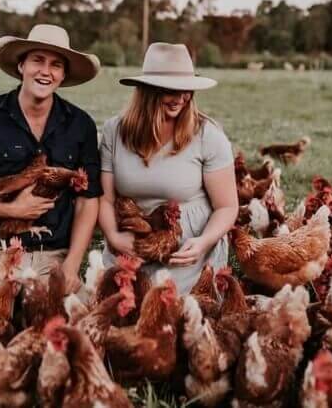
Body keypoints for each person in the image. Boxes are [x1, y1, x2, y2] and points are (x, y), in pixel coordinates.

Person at [0, 24, 102, 295]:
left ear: (63, 75)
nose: (45, 71)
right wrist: (13, 210)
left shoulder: (80, 125)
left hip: (52, 253)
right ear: (21, 66)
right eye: (37, 60)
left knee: (74, 329)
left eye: (55, 65)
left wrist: (72, 266)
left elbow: (88, 200)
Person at [97, 42, 238, 294]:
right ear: (147, 91)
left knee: (177, 317)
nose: (181, 98)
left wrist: (203, 242)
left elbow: (227, 206)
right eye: (171, 90)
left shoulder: (207, 135)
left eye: (187, 90)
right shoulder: (114, 132)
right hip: (130, 247)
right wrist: (114, 237)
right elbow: (105, 199)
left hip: (186, 254)